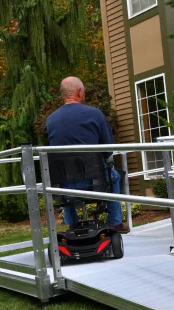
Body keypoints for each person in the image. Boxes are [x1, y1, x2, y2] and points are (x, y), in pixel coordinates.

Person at [45, 76, 128, 233]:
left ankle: (73, 222)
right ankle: (114, 222)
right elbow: (108, 149)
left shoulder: (51, 120)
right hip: (95, 182)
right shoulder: (95, 114)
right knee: (114, 176)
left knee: (63, 174)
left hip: (64, 186)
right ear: (79, 91)